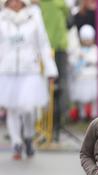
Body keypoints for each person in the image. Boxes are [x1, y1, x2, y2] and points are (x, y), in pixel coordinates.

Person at [0, 0, 58, 160]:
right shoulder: (1, 18)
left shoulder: (34, 17)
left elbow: (43, 44)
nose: (14, 3)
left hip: (30, 69)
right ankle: (16, 143)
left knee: (28, 108)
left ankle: (28, 135)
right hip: (7, 70)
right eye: (10, 1)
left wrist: (50, 69)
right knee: (11, 108)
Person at [39, 0, 68, 142]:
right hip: (54, 49)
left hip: (49, 50)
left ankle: (49, 128)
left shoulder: (37, 5)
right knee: (57, 89)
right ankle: (54, 128)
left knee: (51, 89)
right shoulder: (61, 3)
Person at [68, 24, 98, 121]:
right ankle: (82, 114)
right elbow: (72, 61)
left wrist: (86, 59)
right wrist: (78, 58)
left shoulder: (95, 49)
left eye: (89, 39)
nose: (87, 41)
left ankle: (94, 114)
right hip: (81, 77)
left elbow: (96, 60)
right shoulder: (78, 50)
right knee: (81, 98)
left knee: (94, 98)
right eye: (85, 39)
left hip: (92, 76)